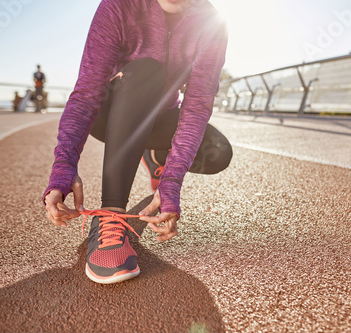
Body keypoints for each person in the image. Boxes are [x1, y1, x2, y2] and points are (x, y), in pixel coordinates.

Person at [43, 0, 232, 284]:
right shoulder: (119, 6)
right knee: (147, 70)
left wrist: (172, 180)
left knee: (217, 153)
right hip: (113, 113)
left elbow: (196, 107)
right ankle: (111, 212)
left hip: (162, 116)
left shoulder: (212, 24)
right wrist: (64, 166)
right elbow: (85, 94)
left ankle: (154, 155)